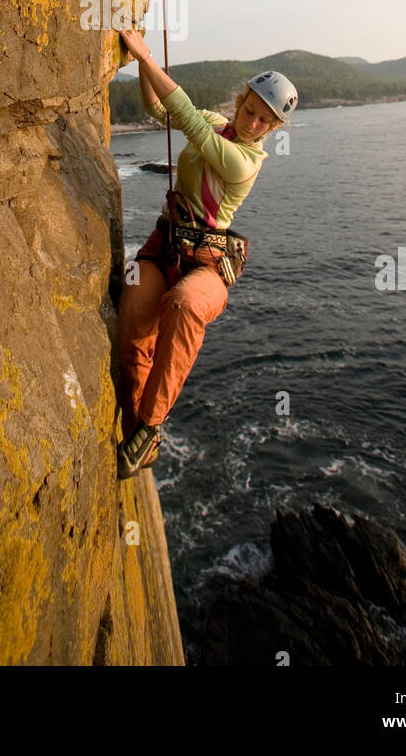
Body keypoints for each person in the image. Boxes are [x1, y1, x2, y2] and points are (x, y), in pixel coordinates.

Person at [114, 27, 299, 478]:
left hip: (208, 264)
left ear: (272, 129)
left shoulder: (245, 162)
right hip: (166, 246)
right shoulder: (218, 123)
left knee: (184, 304)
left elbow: (191, 127)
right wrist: (143, 62)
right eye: (250, 110)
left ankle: (152, 425)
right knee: (131, 330)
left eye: (262, 121)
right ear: (240, 101)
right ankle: (140, 432)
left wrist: (143, 53)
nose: (252, 123)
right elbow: (159, 109)